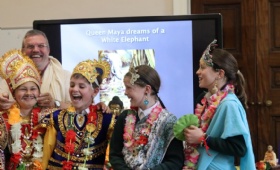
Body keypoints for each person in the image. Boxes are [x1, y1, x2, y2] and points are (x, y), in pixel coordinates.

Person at [183, 40, 255, 169]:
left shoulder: (229, 104)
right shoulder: (204, 99)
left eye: (203, 67)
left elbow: (239, 148)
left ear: (220, 74)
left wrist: (203, 138)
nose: (197, 72)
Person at [41, 59, 115, 169]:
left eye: (81, 86)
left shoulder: (107, 120)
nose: (74, 89)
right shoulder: (57, 117)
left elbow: (110, 159)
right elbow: (47, 152)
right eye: (72, 85)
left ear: (95, 91)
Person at [109, 65, 184, 170]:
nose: (125, 92)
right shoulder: (124, 117)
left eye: (129, 87)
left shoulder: (169, 122)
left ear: (147, 89)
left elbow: (175, 162)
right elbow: (115, 154)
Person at [0, 49, 54, 169]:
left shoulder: (48, 117)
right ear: (14, 93)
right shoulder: (3, 119)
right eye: (23, 89)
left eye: (33, 89)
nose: (29, 93)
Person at [0, 29, 71, 110]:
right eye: (30, 46)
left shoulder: (65, 76)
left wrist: (55, 103)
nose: (36, 50)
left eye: (41, 46)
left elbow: (78, 108)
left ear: (48, 50)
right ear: (22, 51)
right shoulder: (10, 78)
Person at [104, 96, 124, 170]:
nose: (114, 111)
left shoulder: (124, 120)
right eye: (112, 108)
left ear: (121, 109)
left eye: (116, 108)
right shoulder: (107, 119)